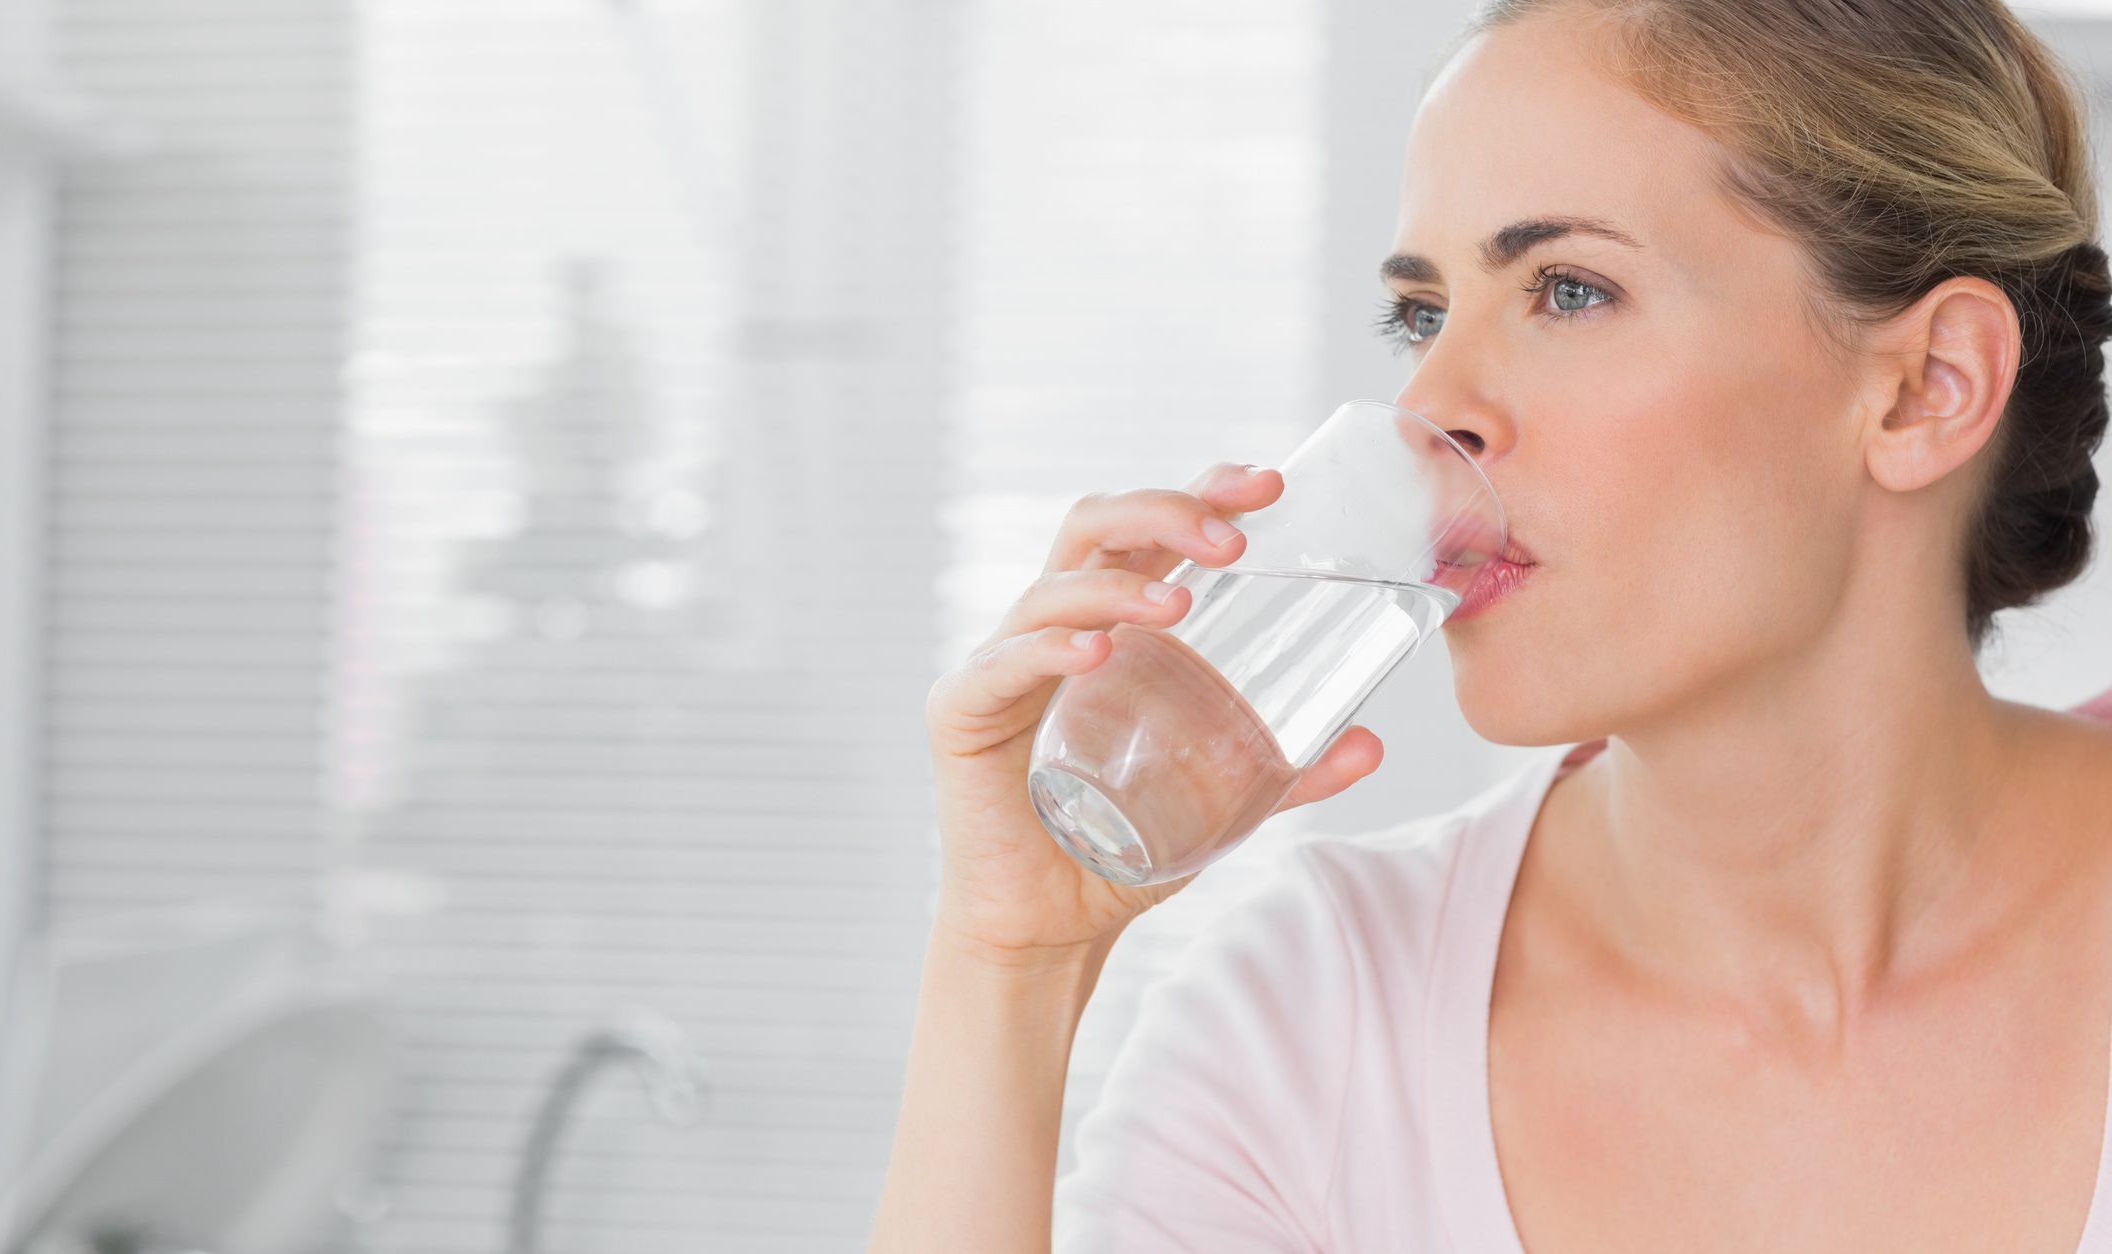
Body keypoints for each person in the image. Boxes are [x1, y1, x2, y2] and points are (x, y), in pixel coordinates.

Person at [867, 0, 2112, 1249]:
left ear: (1925, 388)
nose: (1428, 405)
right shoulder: (1319, 1017)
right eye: (1422, 313)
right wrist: (1008, 966)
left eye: (1567, 290)